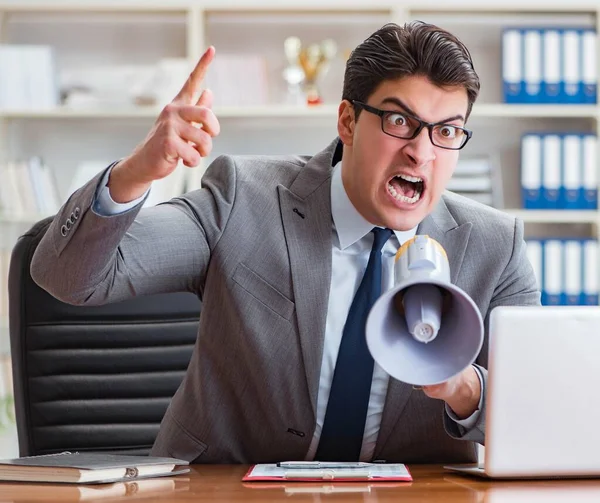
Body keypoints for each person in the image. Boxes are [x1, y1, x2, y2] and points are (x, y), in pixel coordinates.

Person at [30, 21, 540, 464]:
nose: (421, 153)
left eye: (447, 131)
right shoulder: (242, 199)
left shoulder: (497, 247)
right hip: (225, 491)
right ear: (347, 121)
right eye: (399, 120)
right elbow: (70, 278)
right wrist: (137, 171)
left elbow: (535, 418)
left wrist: (463, 388)